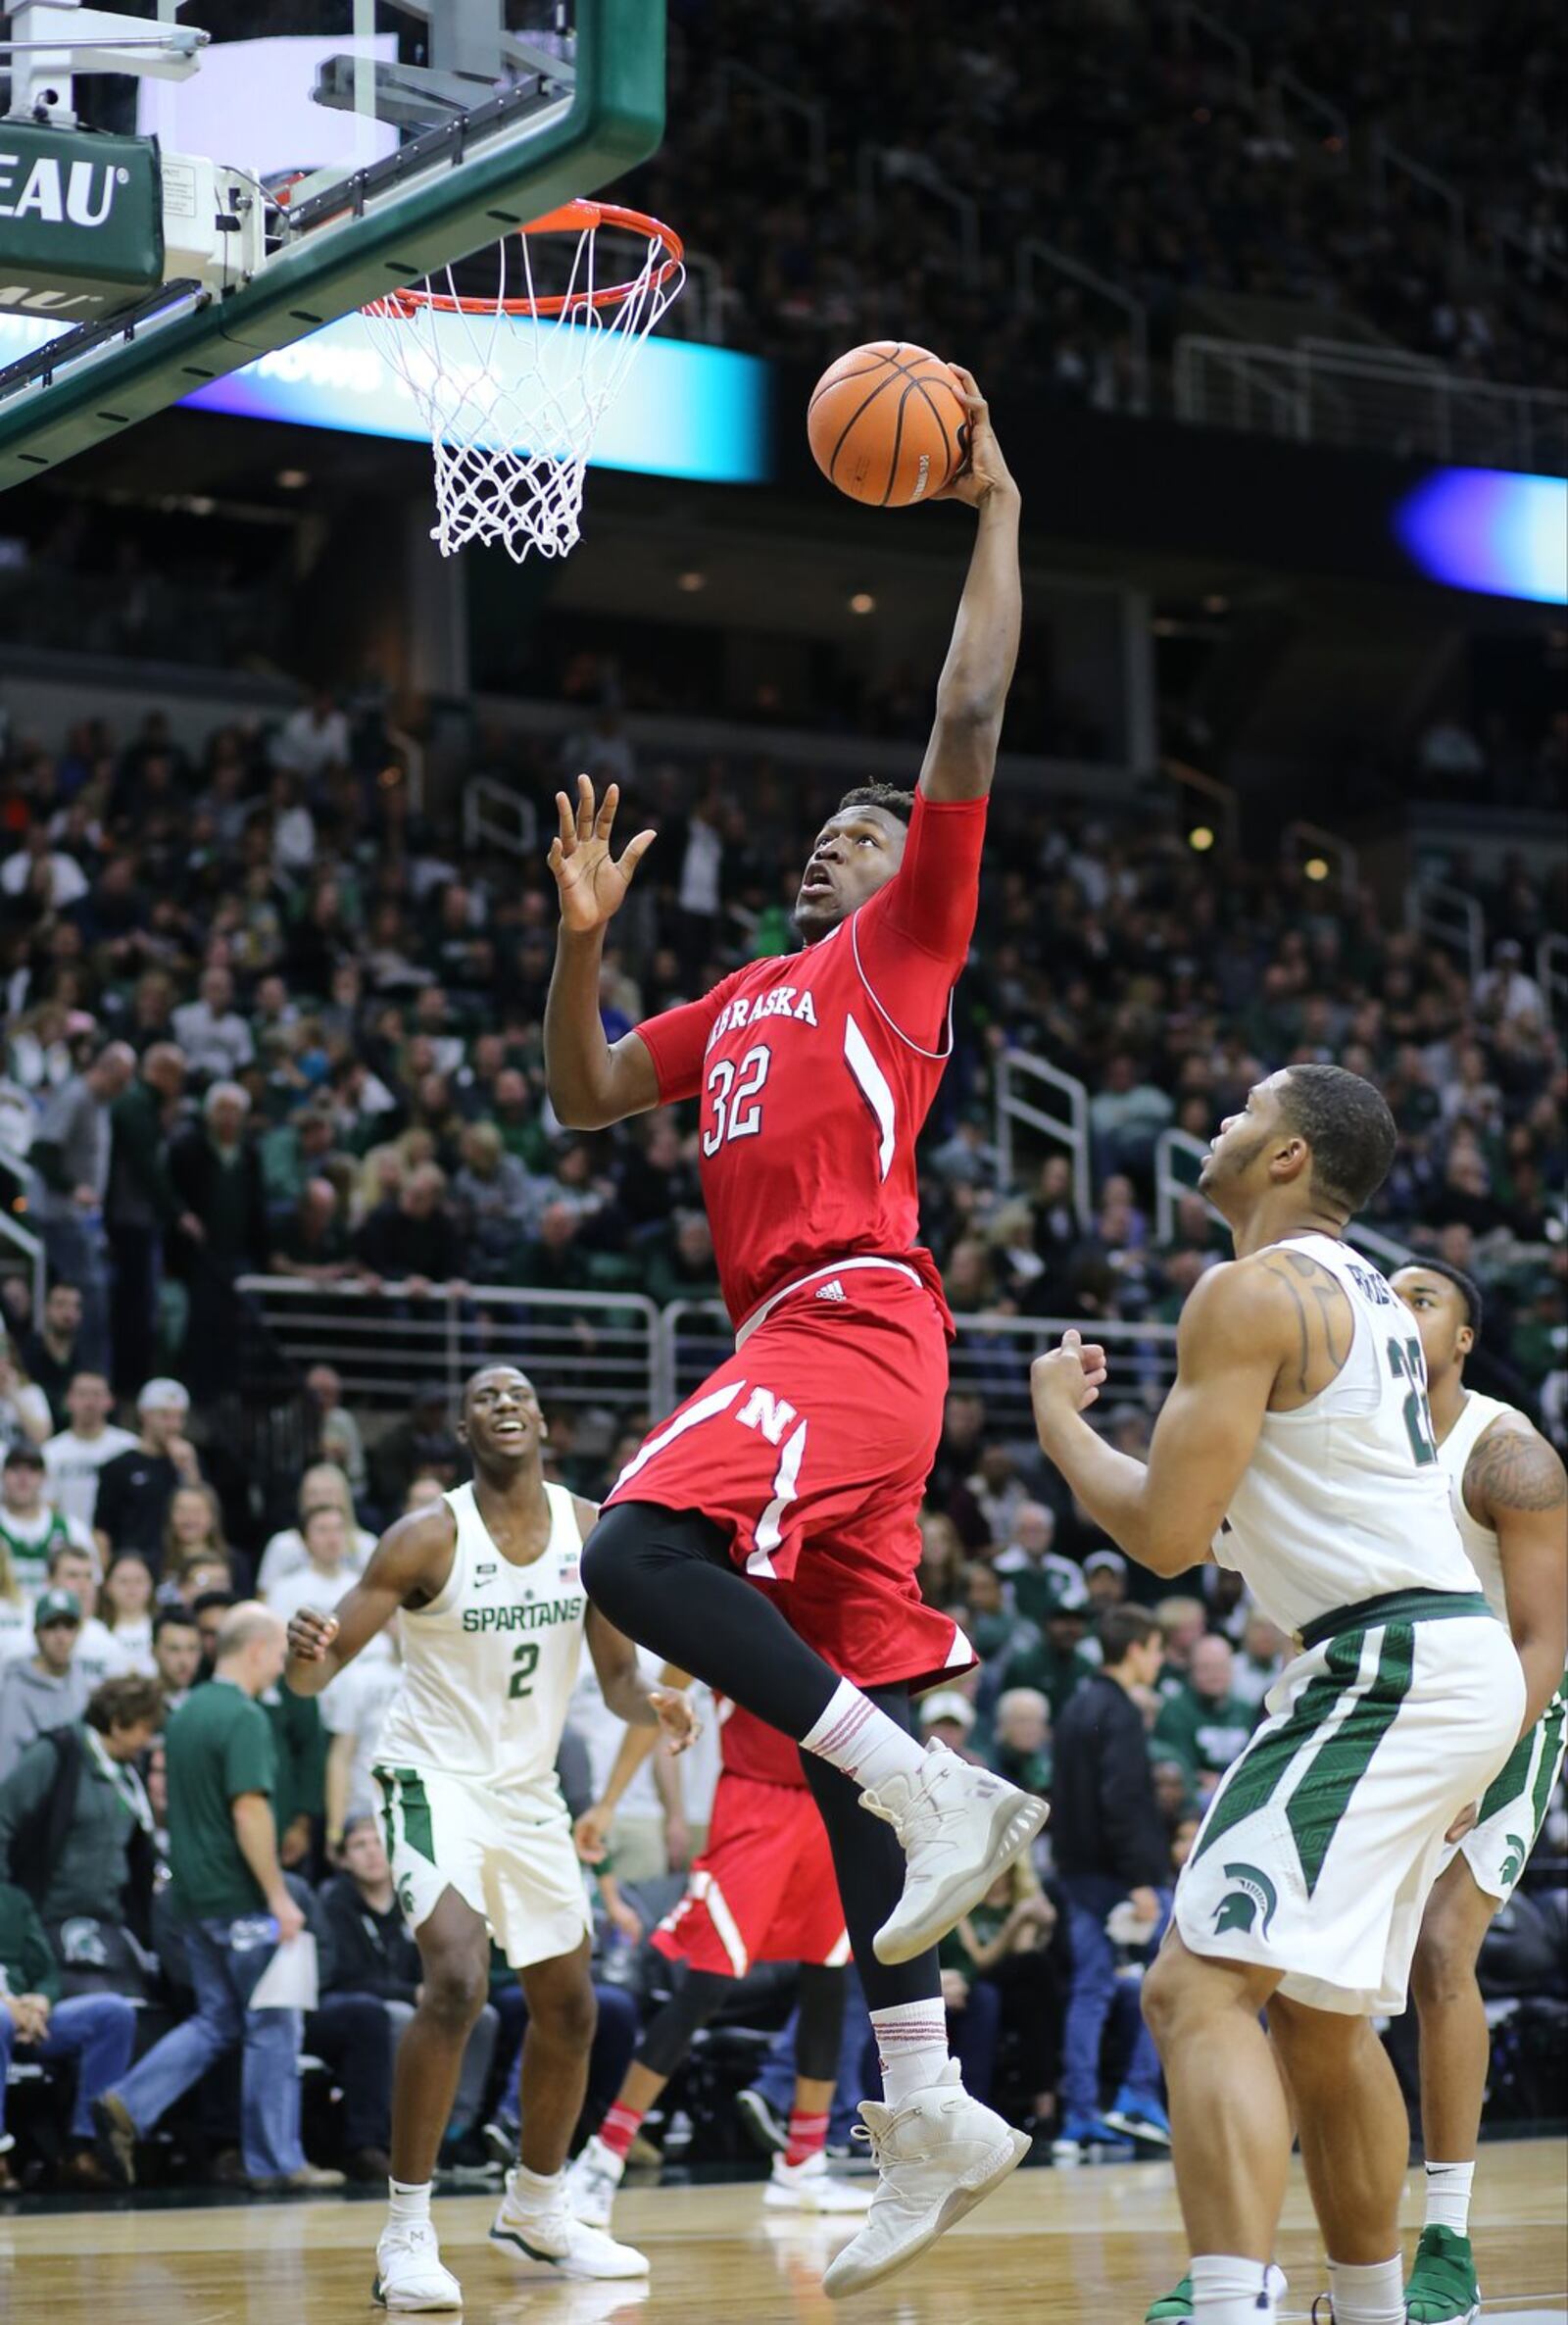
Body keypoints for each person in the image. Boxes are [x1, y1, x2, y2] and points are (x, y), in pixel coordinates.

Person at [544, 371, 1039, 2303]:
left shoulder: (897, 955)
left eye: (871, 828)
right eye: (832, 835)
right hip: (819, 1368)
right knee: (836, 1764)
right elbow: (583, 1093)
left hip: (851, 1324)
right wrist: (582, 931)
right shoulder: (742, 996)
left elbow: (968, 712)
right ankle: (921, 2108)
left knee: (628, 1545)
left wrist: (990, 507)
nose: (849, 843)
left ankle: (923, 1787)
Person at [1030, 1064, 1527, 2325]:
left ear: (1292, 1155)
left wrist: (1059, 1429)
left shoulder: (1249, 1291)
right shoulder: (1370, 1294)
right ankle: (1368, 2304)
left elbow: (1160, 1532)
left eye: (1243, 1110)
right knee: (1315, 2013)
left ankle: (1230, 2302)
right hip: (1436, 1658)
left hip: (1385, 1659)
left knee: (1192, 1988)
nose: (1215, 1123)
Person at [283, 1365, 697, 2309]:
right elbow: (316, 1677)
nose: (503, 1405)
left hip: (527, 1793)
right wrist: (305, 1659)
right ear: (464, 1430)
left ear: (544, 1420)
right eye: (483, 1397)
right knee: (459, 1978)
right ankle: (406, 2232)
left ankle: (538, 2207)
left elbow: (618, 1678)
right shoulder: (427, 1534)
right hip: (431, 1780)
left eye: (518, 1394)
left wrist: (657, 1705)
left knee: (572, 2008)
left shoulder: (594, 1528)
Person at [1391, 1260, 1567, 2325]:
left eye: (1425, 1297)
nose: (1400, 1309)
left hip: (1509, 1704)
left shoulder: (1506, 1450)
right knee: (1288, 1971)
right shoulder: (1349, 1433)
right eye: (1389, 1293)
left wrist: (1481, 1763)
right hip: (1392, 1705)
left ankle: (1447, 2237)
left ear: (1462, 1338)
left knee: (1440, 1949)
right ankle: (1240, 2246)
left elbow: (1546, 1638)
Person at [566, 1668, 874, 2229]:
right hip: (754, 1803)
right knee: (705, 1983)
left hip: (834, 1803)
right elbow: (662, 1697)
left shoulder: (841, 1601)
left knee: (829, 1980)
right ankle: (603, 2156)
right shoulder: (732, 1594)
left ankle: (802, 2163)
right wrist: (609, 1802)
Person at [90, 1603, 344, 2196]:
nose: (280, 1668)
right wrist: (279, 1895)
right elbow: (249, 1809)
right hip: (241, 1899)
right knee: (274, 2024)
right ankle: (276, 2162)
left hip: (191, 1900)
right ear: (256, 1649)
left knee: (218, 2020)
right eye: (278, 1656)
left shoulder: (184, 1715)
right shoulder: (244, 1717)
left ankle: (128, 2101)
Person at [1048, 1606, 1171, 2158]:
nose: (1161, 1659)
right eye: (1157, 1648)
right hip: (1114, 1877)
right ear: (1138, 1648)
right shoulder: (1118, 1710)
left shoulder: (1076, 1704)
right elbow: (1121, 1801)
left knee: (1090, 1992)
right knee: (1167, 1976)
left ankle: (1079, 2115)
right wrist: (1141, 1879)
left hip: (1077, 1871)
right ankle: (1138, 2095)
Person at [0, 1673, 162, 1985]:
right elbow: (4, 1818)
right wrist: (8, 1907)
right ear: (117, 1723)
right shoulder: (55, 1755)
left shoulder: (128, 1774)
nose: (148, 1739)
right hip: (46, 1919)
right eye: (145, 1728)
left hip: (107, 1923)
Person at [0, 1874, 137, 2191]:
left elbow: (46, 1970)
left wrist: (41, 2001)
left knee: (113, 2013)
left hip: (29, 2021)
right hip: (7, 2016)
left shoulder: (13, 1898)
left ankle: (84, 2148)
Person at [26, 1043, 136, 1377]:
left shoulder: (100, 1104)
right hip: (58, 1215)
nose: (122, 1090)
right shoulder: (75, 1097)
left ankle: (87, 1376)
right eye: (120, 1082)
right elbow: (42, 1151)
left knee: (97, 1294)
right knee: (90, 1294)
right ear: (105, 1069)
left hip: (81, 1219)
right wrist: (74, 1189)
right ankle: (91, 1377)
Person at [93, 1378, 202, 1560]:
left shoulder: (188, 1461)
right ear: (144, 1415)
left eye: (179, 1417)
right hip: (134, 1566)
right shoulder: (118, 1466)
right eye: (165, 1416)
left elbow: (203, 1512)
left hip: (178, 1564)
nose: (173, 1425)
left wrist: (189, 1468)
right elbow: (101, 1531)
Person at [1151, 1634, 1255, 1802]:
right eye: (1206, 1668)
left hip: (1239, 1791)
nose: (1215, 1675)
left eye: (1221, 1667)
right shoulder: (1174, 1710)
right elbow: (1180, 1768)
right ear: (1191, 1670)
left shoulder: (1245, 1710)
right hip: (1194, 1798)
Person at [0, 1591, 89, 1782]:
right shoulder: (16, 1688)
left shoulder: (80, 1678)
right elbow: (6, 1765)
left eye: (68, 1626)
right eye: (51, 1626)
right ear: (37, 1632)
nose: (61, 1636)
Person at [41, 1373, 137, 1534]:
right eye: (82, 1394)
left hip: (120, 1543)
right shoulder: (50, 1452)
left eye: (97, 1394)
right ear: (68, 1400)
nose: (90, 1402)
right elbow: (47, 1505)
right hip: (69, 1543)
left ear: (110, 1401)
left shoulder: (130, 1447)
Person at [0, 1441, 94, 1601]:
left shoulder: (71, 1530)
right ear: (3, 1475)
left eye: (32, 1470)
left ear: (44, 1477)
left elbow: (91, 1585)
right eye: (15, 1470)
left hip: (58, 1621)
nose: (23, 1479)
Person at [22, 1281, 86, 1432]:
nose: (68, 1313)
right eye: (61, 1304)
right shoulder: (28, 1350)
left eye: (75, 1306)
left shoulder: (87, 1355)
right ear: (47, 1309)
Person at [152, 1605, 202, 1710]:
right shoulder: (139, 1708)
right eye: (174, 1649)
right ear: (154, 1652)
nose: (185, 1661)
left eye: (192, 1649)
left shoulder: (203, 1706)